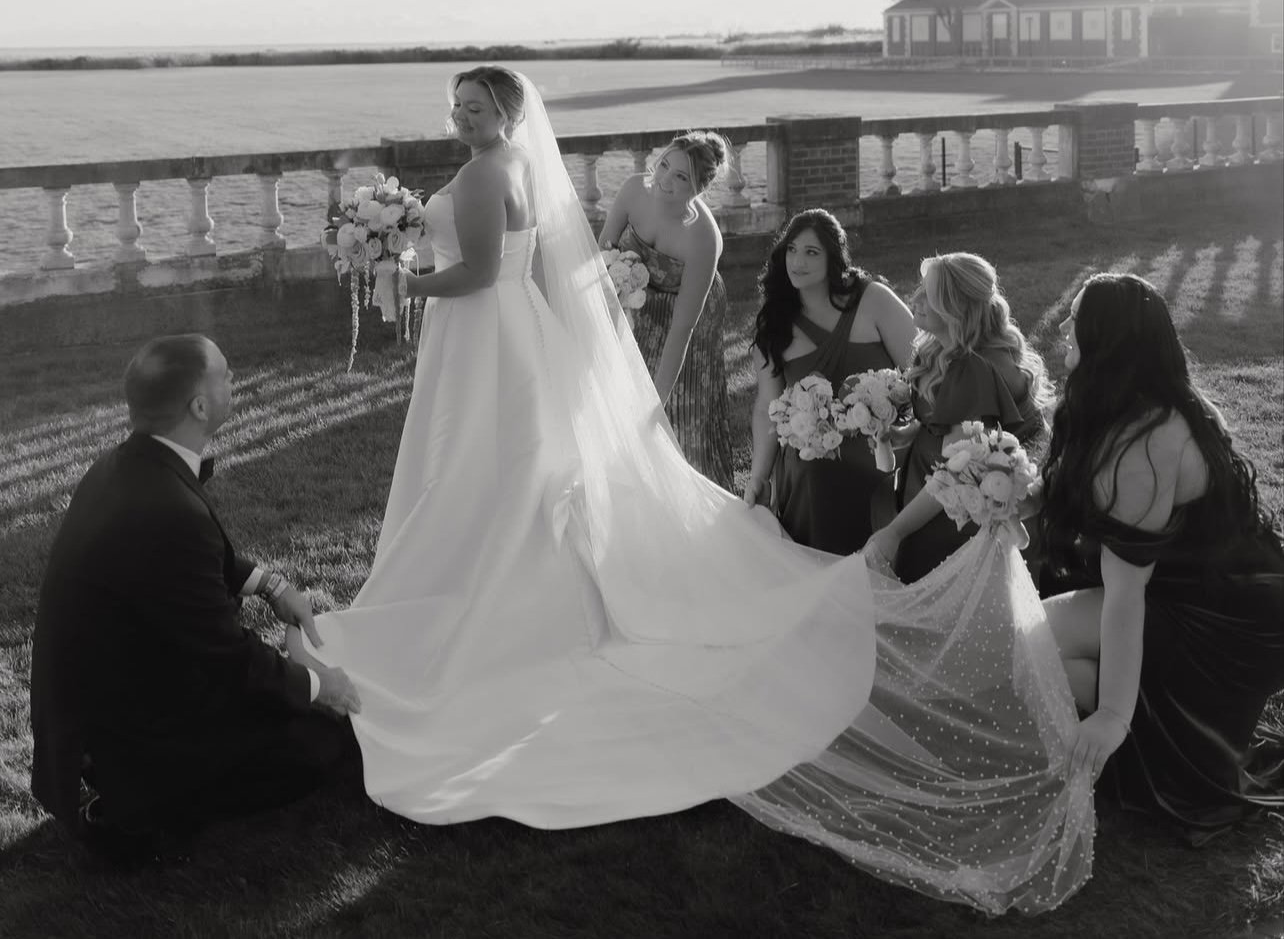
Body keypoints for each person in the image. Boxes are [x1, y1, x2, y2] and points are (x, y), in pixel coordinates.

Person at [293, 71, 1092, 914]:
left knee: (480, 468)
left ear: (510, 116)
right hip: (501, 338)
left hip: (490, 331)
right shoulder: (524, 171)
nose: (463, 117)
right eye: (457, 105)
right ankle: (489, 581)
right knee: (483, 469)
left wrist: (405, 279)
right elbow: (564, 268)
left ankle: (490, 604)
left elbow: (490, 268)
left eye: (478, 108)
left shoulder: (501, 173)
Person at [29, 334, 360, 863]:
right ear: (199, 406)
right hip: (123, 735)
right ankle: (134, 810)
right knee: (316, 744)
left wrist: (271, 585)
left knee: (291, 715)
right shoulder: (168, 512)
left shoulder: (122, 465)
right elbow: (229, 656)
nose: (235, 381)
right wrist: (320, 685)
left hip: (110, 696)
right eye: (225, 375)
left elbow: (191, 569)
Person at [1040, 274, 1284, 836]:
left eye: (1077, 316)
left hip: (1229, 617)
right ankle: (1143, 716)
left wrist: (1111, 715)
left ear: (1109, 337)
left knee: (1034, 642)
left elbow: (1125, 593)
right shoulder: (1130, 405)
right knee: (1044, 645)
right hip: (1195, 587)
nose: (1063, 325)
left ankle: (1131, 728)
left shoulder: (1148, 438)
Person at [865, 252, 1052, 583]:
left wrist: (895, 531)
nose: (915, 299)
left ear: (956, 307)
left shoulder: (974, 367)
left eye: (929, 294)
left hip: (956, 509)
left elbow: (959, 470)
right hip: (929, 484)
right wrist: (906, 434)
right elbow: (945, 420)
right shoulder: (941, 349)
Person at [743, 210, 917, 553]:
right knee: (812, 475)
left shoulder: (873, 300)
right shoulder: (776, 324)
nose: (798, 261)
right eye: (792, 250)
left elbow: (922, 371)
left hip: (879, 450)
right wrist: (758, 476)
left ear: (833, 257)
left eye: (812, 252)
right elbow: (766, 406)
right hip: (810, 461)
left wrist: (902, 427)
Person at [597, 130, 734, 487]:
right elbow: (601, 259)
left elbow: (682, 329)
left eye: (681, 177)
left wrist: (654, 406)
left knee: (679, 412)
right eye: (664, 165)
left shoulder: (703, 237)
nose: (664, 180)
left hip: (688, 316)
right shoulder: (633, 190)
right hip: (639, 302)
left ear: (698, 189)